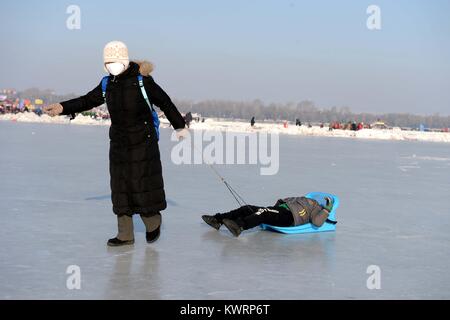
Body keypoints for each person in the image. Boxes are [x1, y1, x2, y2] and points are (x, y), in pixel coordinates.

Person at [43, 41, 188, 247]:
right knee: (120, 186)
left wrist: (180, 126)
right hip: (119, 142)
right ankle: (125, 234)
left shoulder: (142, 81)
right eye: (108, 62)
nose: (112, 65)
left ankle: (152, 221)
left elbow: (165, 102)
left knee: (141, 183)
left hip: (143, 141)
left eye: (116, 61)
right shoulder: (107, 84)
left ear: (125, 61)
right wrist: (62, 107)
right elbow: (87, 101)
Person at [202, 195, 334, 237]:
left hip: (289, 217)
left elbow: (317, 223)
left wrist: (327, 208)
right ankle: (217, 220)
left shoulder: (318, 209)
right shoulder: (303, 198)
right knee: (247, 208)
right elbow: (284, 201)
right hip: (279, 211)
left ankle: (240, 227)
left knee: (263, 213)